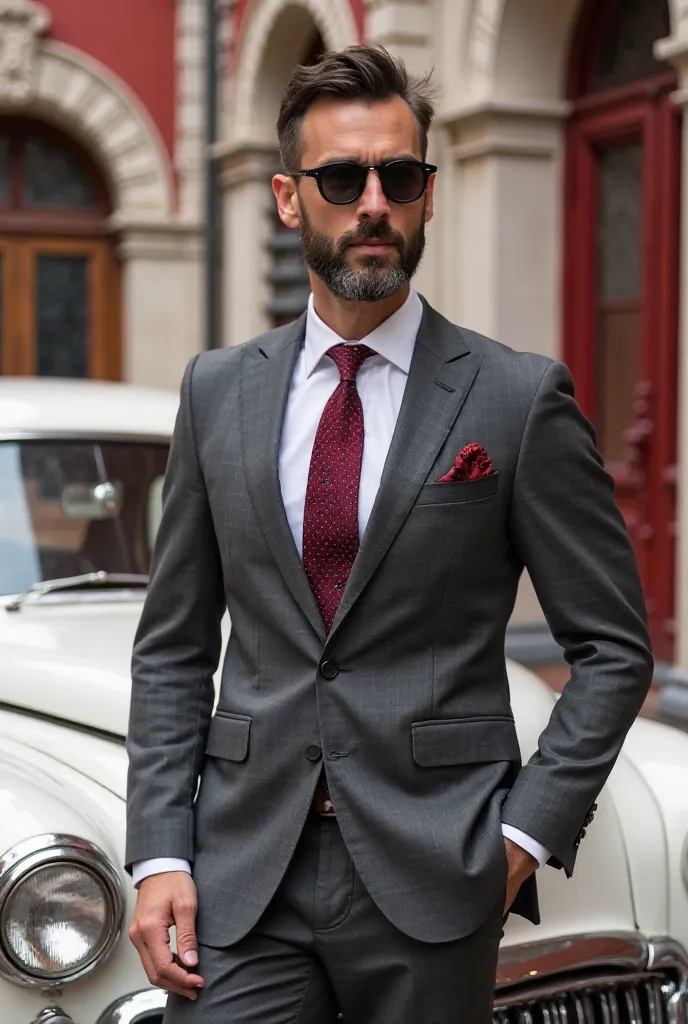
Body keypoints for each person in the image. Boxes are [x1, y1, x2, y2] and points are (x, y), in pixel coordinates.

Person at [125, 44, 653, 1023]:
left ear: (426, 193)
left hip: (434, 875)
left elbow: (615, 649)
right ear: (289, 199)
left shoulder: (514, 398)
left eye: (398, 176)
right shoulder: (214, 391)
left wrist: (520, 840)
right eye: (340, 178)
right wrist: (160, 850)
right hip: (244, 876)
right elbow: (173, 649)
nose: (373, 201)